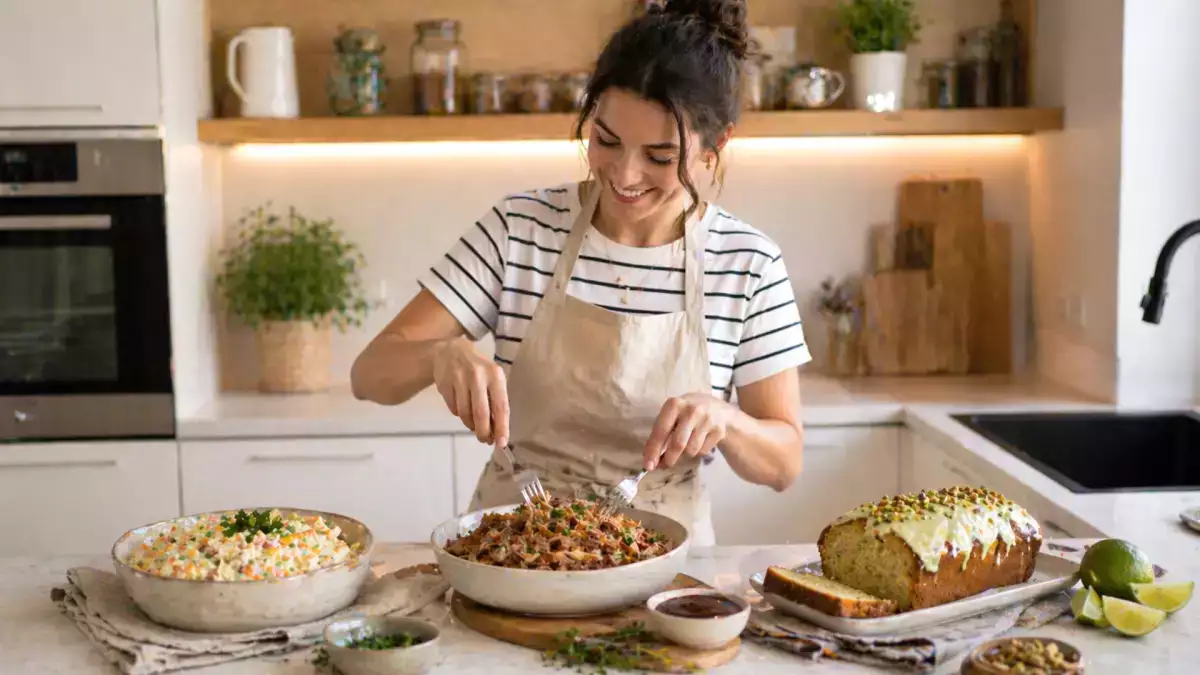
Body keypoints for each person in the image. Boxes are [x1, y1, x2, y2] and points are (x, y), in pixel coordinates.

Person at [350, 0, 811, 547]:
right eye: (607, 141)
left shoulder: (747, 263)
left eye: (660, 156)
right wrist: (437, 355)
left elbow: (783, 464)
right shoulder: (521, 228)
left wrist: (727, 420)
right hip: (512, 540)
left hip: (667, 560)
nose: (625, 174)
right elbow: (368, 376)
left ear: (716, 148)